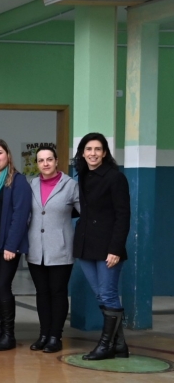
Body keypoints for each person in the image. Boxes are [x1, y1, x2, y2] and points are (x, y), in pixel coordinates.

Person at [73, 133, 132, 361]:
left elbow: (123, 215)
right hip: (86, 245)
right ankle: (120, 344)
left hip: (108, 246)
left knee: (108, 295)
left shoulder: (115, 178)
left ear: (105, 153)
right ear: (83, 152)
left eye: (98, 149)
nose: (93, 153)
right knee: (100, 295)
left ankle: (106, 345)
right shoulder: (83, 175)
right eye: (89, 149)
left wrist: (116, 249)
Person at [26, 145, 80, 354]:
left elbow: (82, 210)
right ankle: (43, 334)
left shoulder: (70, 185)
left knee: (57, 293)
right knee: (42, 293)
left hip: (60, 248)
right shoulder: (31, 184)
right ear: (37, 164)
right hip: (35, 249)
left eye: (49, 159)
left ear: (57, 161)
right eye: (41, 160)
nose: (45, 164)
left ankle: (55, 336)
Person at [0, 139, 31, 352]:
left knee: (2, 287)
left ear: (8, 156)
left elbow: (20, 215)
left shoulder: (17, 181)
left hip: (7, 246)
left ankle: (8, 335)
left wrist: (11, 246)